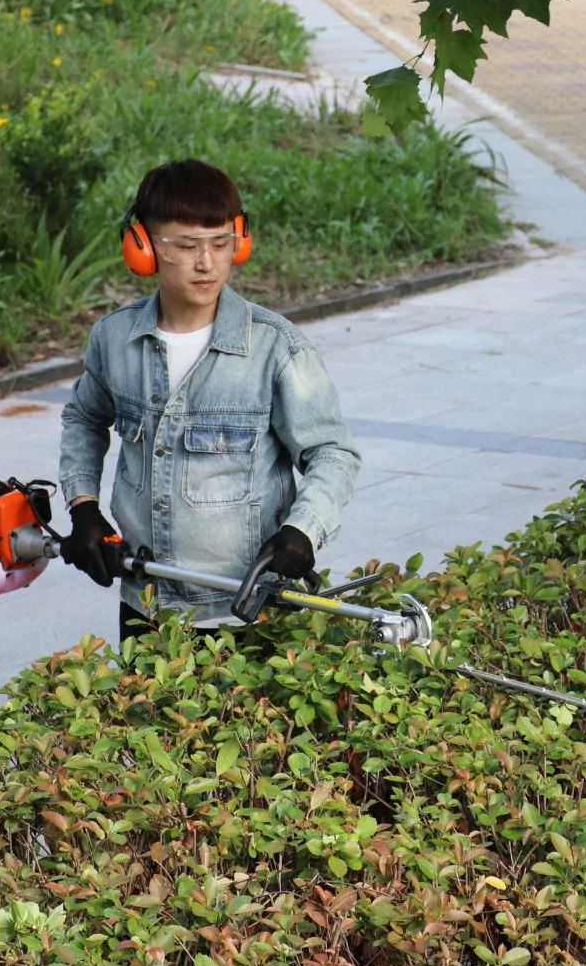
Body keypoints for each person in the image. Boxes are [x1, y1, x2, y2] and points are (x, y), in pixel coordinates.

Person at [56, 158, 361, 643]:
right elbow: (84, 418)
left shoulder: (277, 349)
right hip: (145, 604)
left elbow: (332, 453)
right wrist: (83, 506)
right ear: (143, 248)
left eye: (221, 244)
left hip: (247, 610)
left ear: (239, 243)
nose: (207, 263)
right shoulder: (114, 340)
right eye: (187, 246)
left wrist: (303, 529)